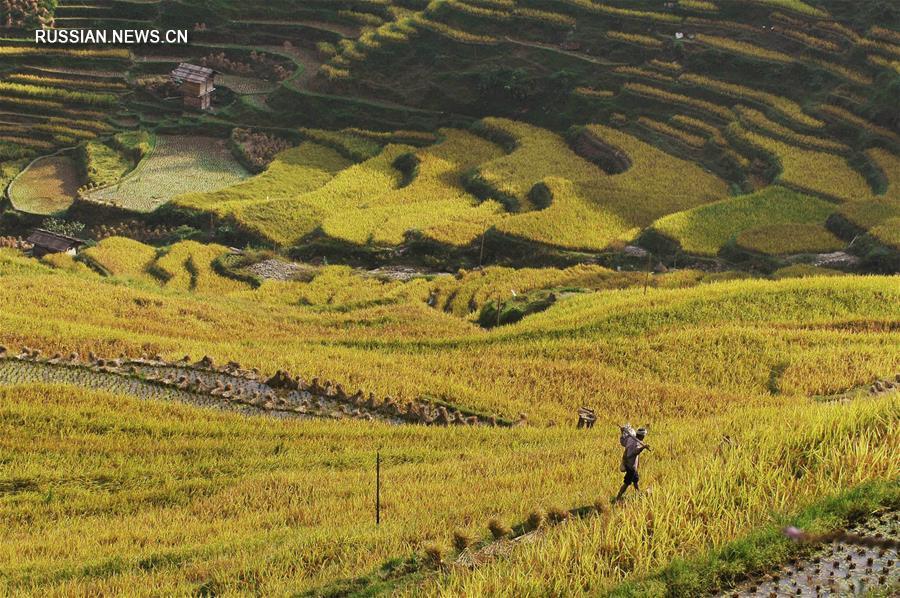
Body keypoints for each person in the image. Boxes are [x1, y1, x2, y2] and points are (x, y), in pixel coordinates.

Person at [615, 425, 650, 502]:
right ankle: (617, 498)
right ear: (641, 436)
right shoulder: (636, 444)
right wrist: (643, 448)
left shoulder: (630, 438)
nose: (644, 438)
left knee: (635, 480)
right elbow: (633, 453)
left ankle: (638, 493)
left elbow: (623, 442)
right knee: (626, 483)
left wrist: (622, 432)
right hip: (631, 466)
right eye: (644, 436)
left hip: (630, 464)